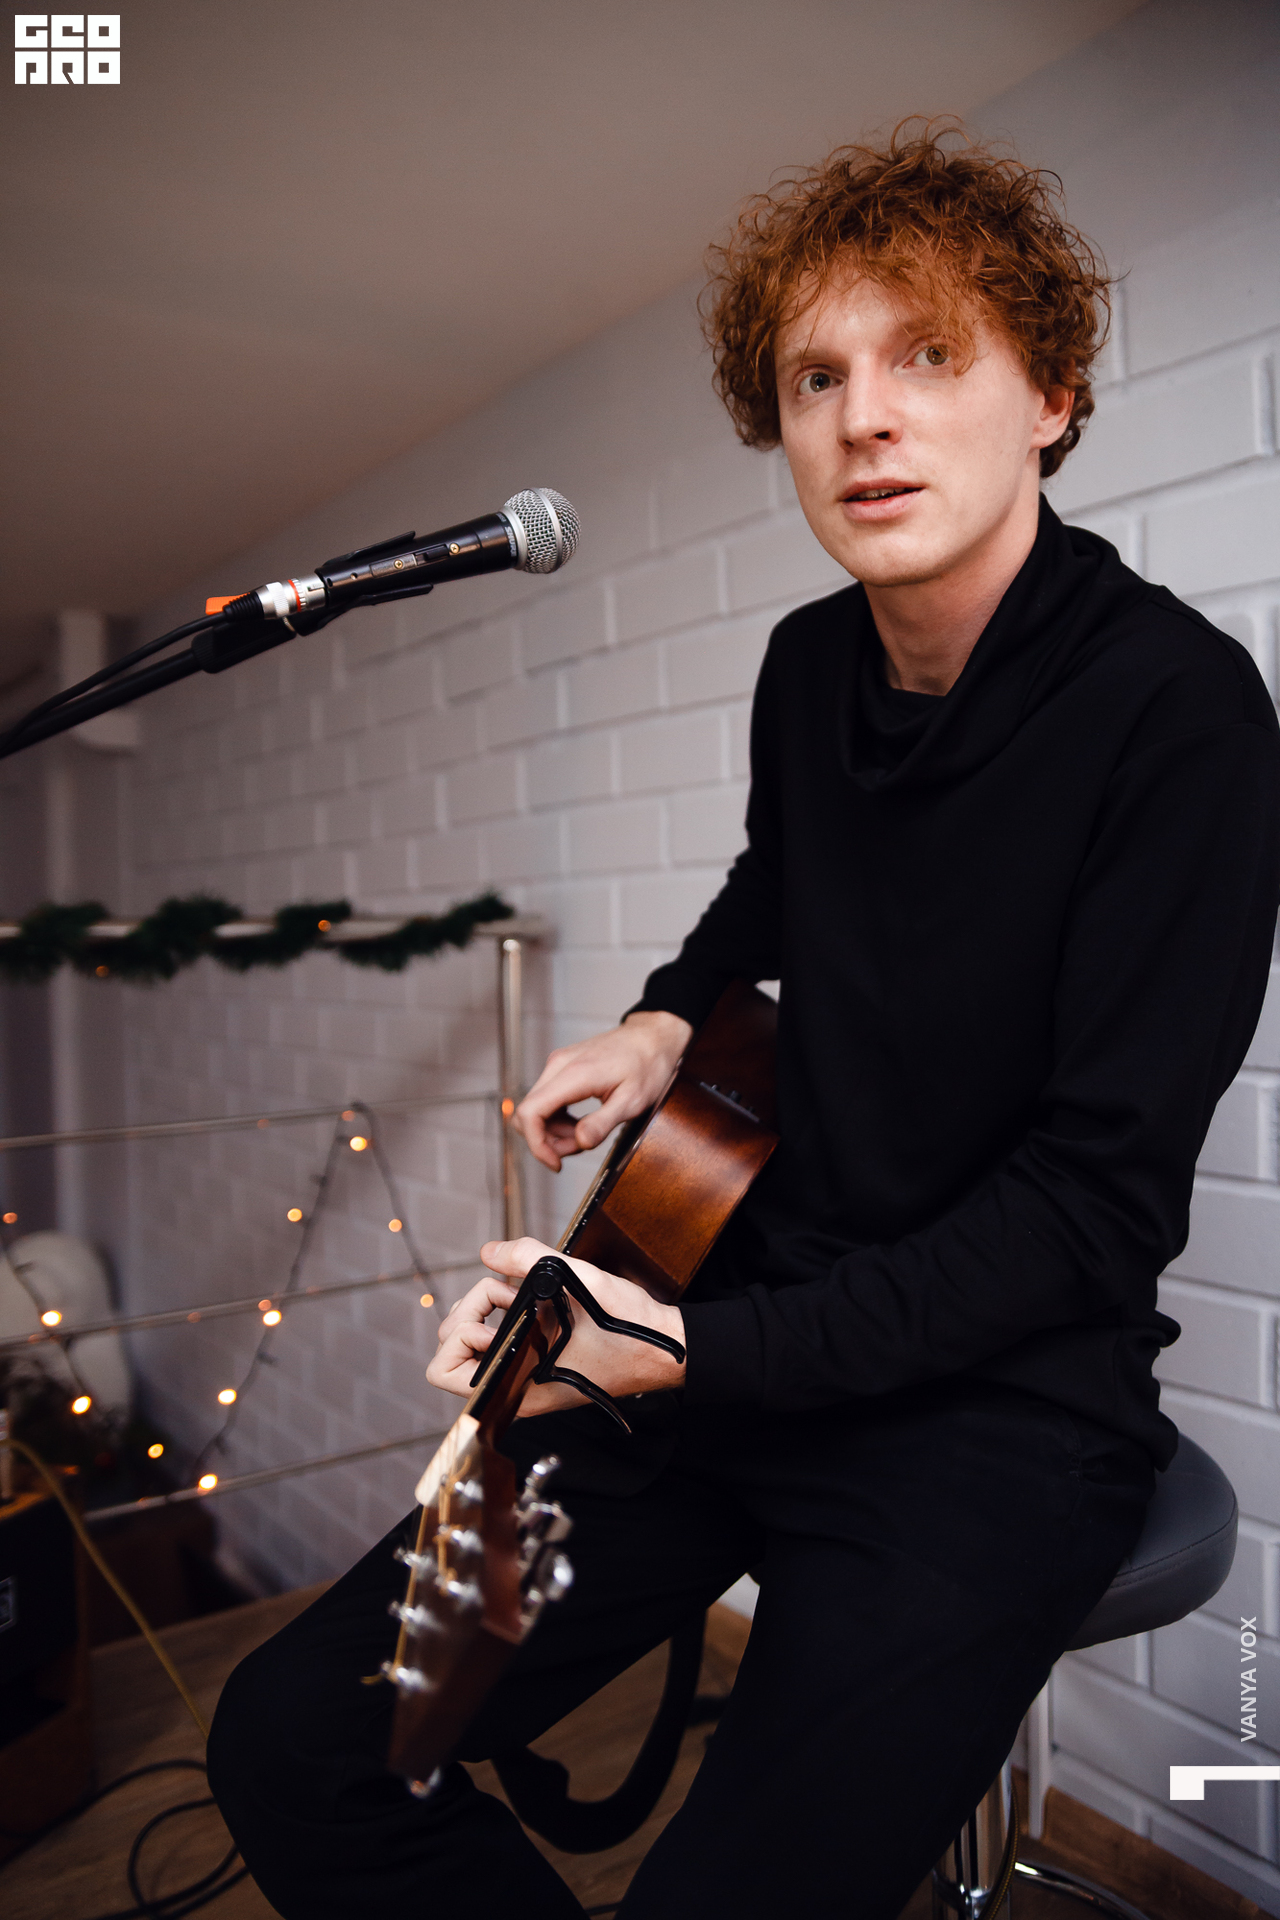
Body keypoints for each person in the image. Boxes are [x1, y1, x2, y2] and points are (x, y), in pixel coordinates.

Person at [208, 125, 1280, 1919]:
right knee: (300, 1737)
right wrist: (660, 1023)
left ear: (1050, 399)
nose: (866, 419)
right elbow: (780, 882)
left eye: (928, 354)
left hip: (994, 1416)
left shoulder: (1184, 713)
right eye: (815, 378)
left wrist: (685, 1353)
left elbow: (1093, 1214)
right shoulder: (808, 664)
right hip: (730, 1340)